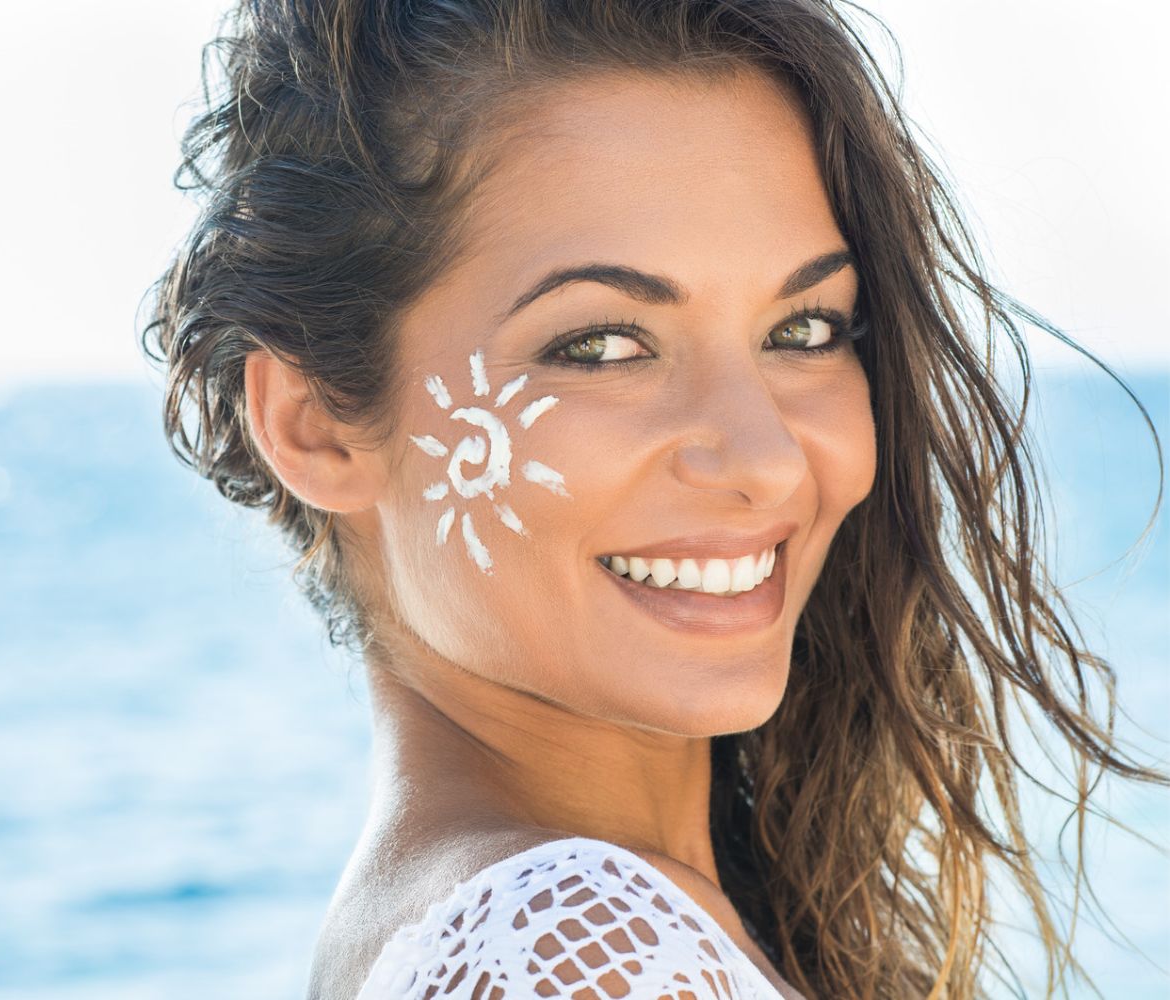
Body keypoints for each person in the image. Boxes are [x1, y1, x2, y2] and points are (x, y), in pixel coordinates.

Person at [146, 1, 1165, 996]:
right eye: (601, 346)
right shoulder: (579, 957)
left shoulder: (548, 922)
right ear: (314, 422)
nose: (765, 458)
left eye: (806, 329)